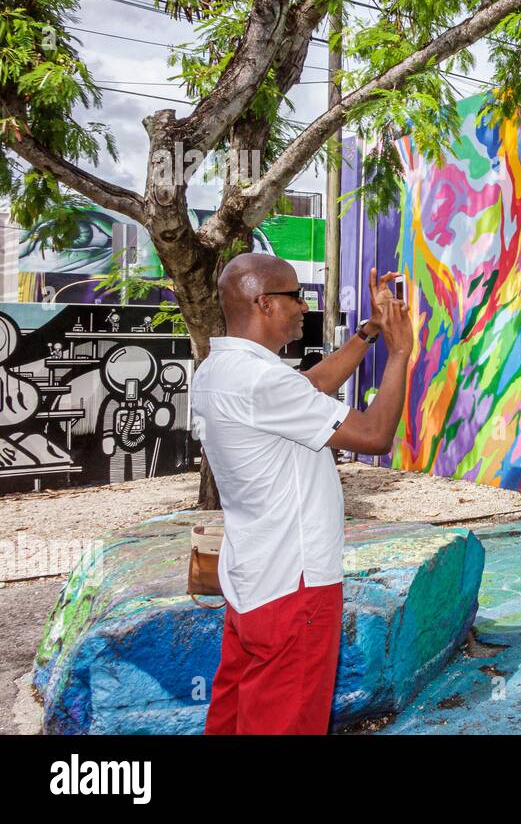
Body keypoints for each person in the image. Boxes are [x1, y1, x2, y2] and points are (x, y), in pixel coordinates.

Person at [192, 254, 412, 734]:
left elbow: (309, 386)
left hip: (254, 579)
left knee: (236, 717)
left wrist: (369, 332)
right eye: (296, 296)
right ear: (264, 303)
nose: (303, 307)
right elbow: (375, 436)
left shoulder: (218, 370)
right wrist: (398, 353)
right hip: (295, 586)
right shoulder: (260, 380)